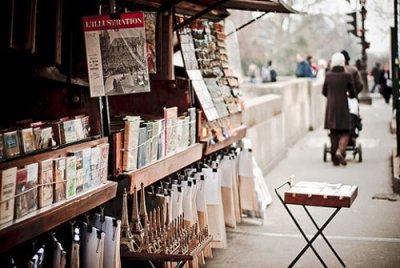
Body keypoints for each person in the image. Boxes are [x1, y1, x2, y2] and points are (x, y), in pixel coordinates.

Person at [322, 52, 358, 166]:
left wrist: (331, 96)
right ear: (343, 63)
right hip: (343, 106)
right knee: (345, 132)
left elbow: (324, 91)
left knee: (333, 132)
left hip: (331, 107)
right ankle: (339, 151)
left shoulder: (328, 75)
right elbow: (353, 93)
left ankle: (334, 159)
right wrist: (348, 94)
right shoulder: (347, 76)